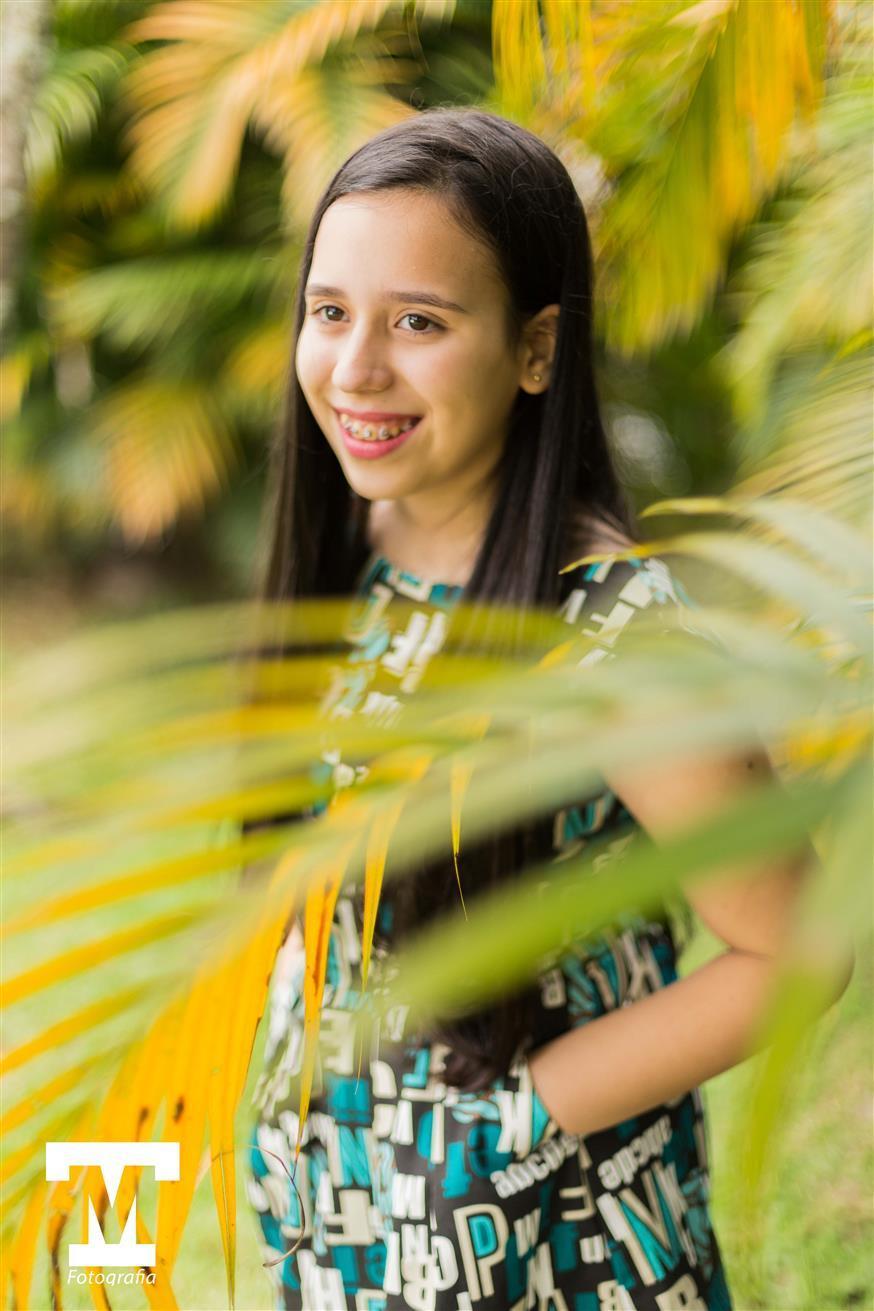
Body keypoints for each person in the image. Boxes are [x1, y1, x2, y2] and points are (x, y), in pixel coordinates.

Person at [246, 107, 820, 1311]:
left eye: (419, 322)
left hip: (542, 1242)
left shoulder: (614, 635)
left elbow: (796, 948)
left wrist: (517, 1122)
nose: (355, 369)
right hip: (352, 1213)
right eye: (331, 310)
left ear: (536, 349)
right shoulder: (363, 543)